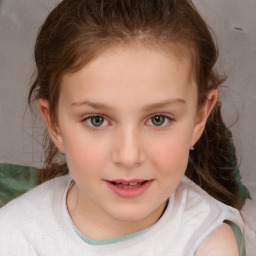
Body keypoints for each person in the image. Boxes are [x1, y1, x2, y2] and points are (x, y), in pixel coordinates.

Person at [0, 0, 248, 255]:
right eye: (97, 120)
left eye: (158, 119)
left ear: (199, 118)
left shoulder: (207, 242)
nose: (129, 156)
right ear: (55, 124)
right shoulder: (13, 237)